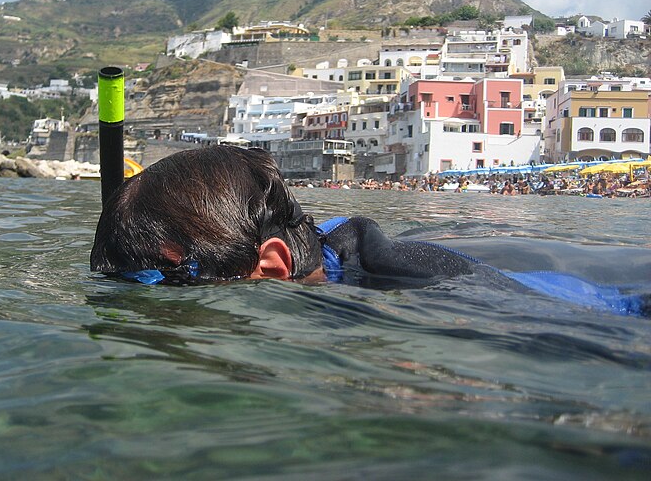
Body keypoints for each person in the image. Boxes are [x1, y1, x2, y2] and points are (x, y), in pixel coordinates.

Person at [91, 145, 648, 316]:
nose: (154, 302)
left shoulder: (407, 279)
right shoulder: (313, 268)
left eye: (169, 286)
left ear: (272, 265)